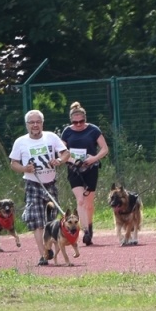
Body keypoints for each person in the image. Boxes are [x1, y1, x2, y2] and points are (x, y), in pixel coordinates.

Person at [8, 109, 67, 266]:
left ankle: (51, 247)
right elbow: (13, 163)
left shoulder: (51, 137)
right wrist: (25, 168)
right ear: (27, 125)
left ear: (42, 123)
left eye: (38, 122)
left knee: (51, 220)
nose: (35, 125)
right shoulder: (20, 142)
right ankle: (44, 254)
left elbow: (65, 153)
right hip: (33, 184)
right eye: (32, 122)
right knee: (36, 220)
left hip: (50, 183)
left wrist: (59, 161)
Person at [60, 102, 110, 246]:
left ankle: (90, 225)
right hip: (74, 169)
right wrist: (72, 159)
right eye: (75, 122)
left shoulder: (93, 130)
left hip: (90, 168)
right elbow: (61, 152)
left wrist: (93, 158)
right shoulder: (67, 132)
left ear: (85, 119)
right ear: (71, 121)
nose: (78, 124)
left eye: (81, 121)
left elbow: (104, 149)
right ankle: (85, 231)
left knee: (88, 203)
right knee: (80, 200)